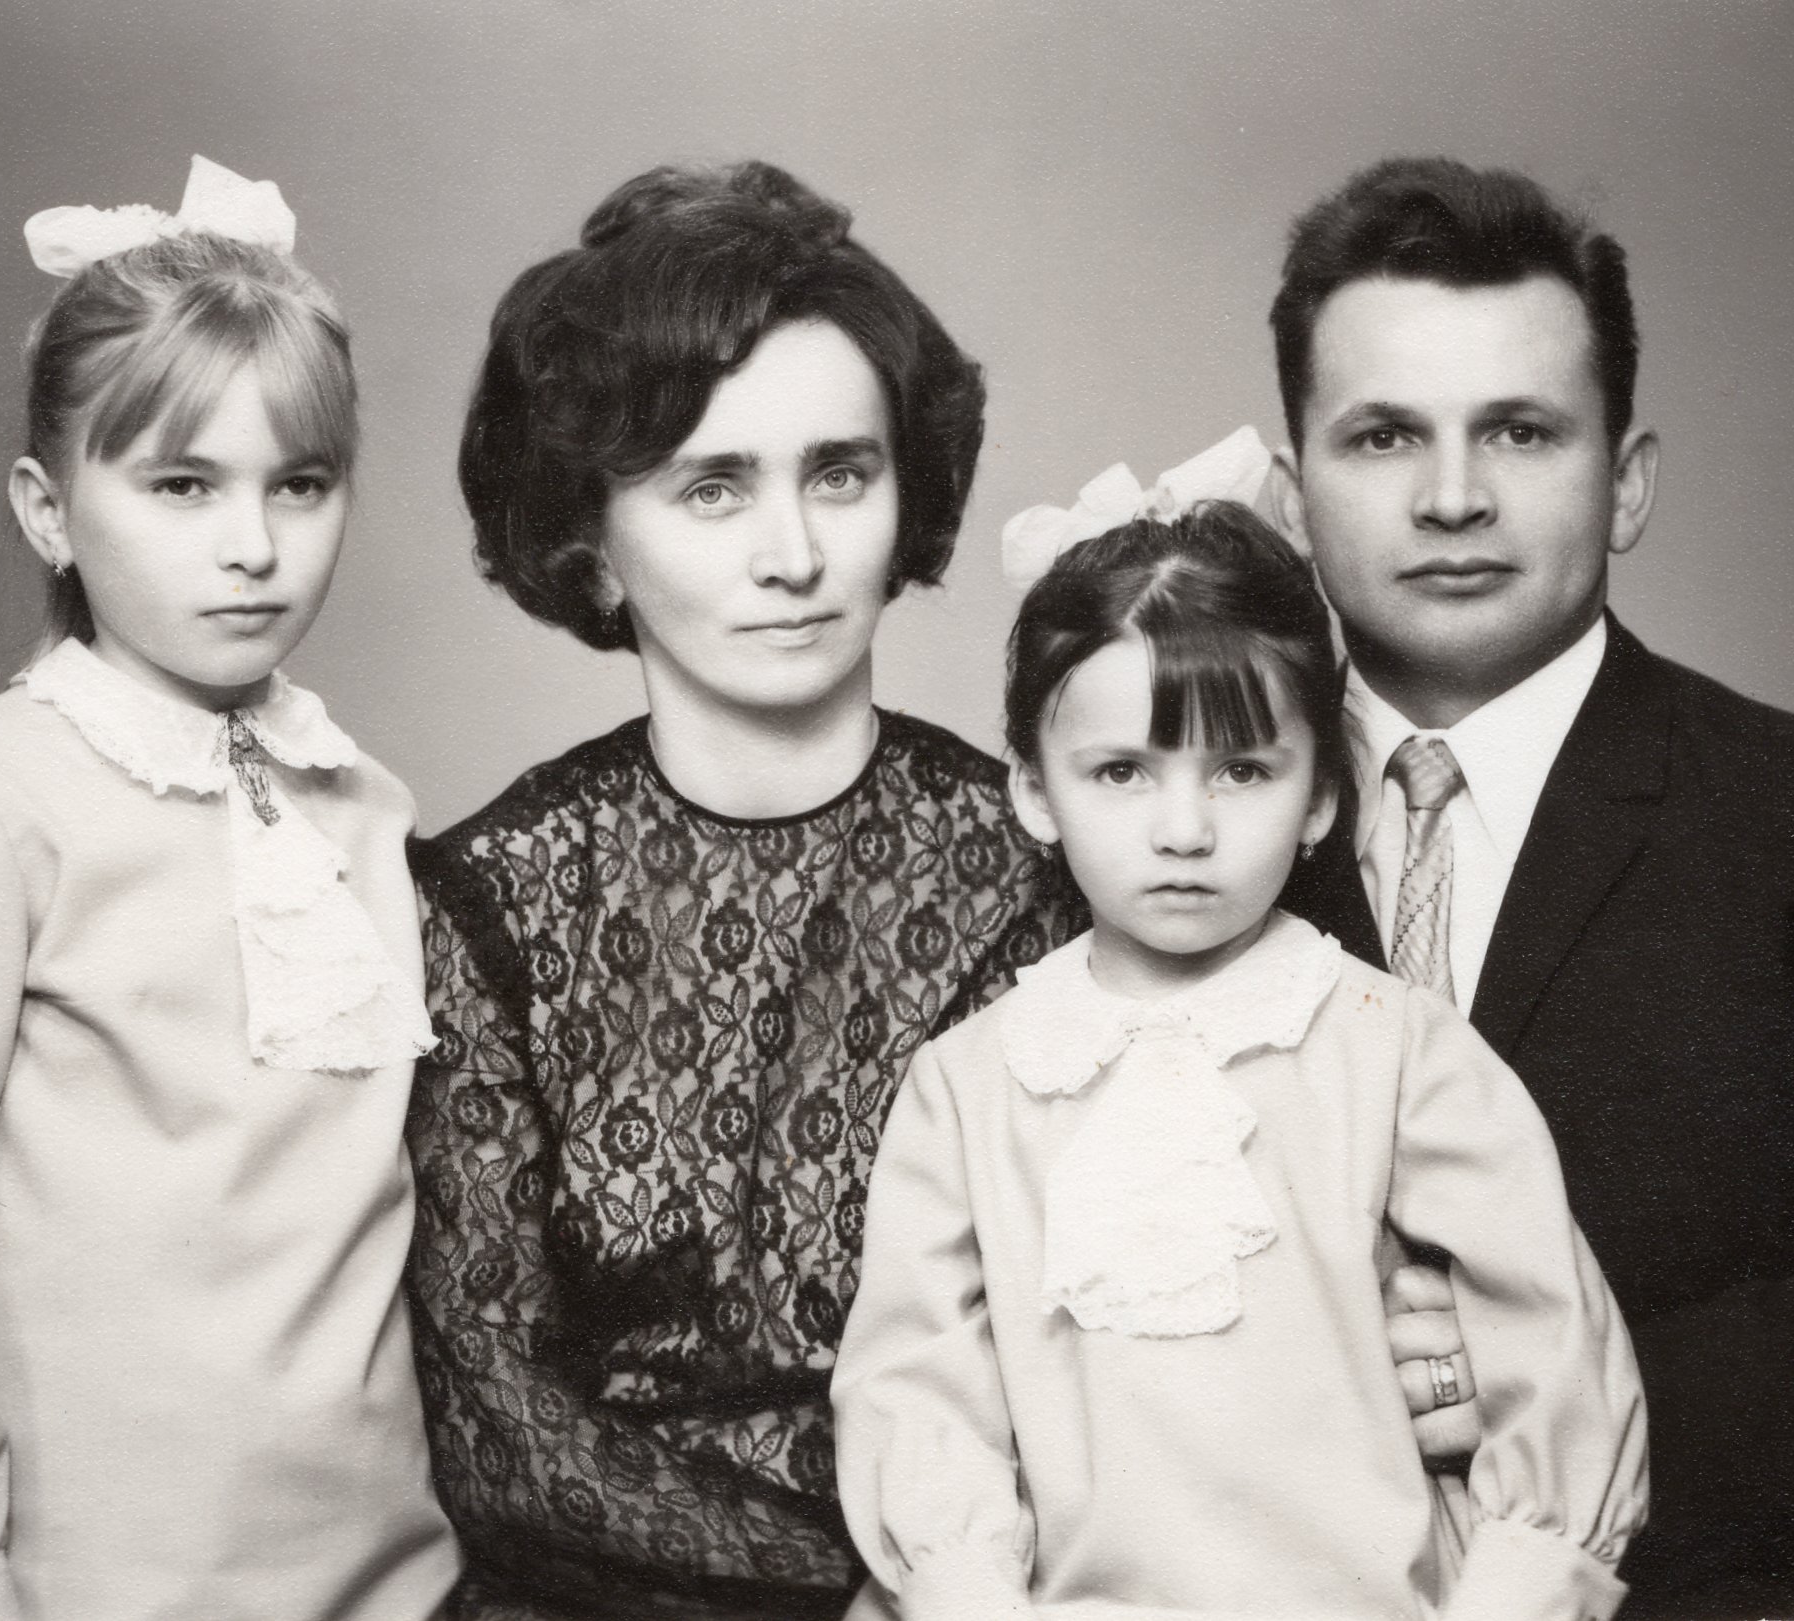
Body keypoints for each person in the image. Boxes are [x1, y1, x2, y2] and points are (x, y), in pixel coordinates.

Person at [412, 160, 1478, 1621]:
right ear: (591, 543)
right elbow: (499, 1435)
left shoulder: (1079, 859)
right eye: (712, 487)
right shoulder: (487, 900)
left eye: (838, 474)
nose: (793, 555)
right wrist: (874, 1584)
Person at [0, 158, 458, 1621]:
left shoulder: (363, 808)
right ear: (49, 511)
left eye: (300, 484)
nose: (253, 545)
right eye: (181, 485)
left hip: (392, 1582)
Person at [1268, 157, 1794, 1618]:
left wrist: (1534, 1389)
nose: (1452, 498)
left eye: (1519, 432)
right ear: (1290, 490)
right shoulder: (1171, 841)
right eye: (1382, 435)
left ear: (1624, 484)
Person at [833, 488, 1646, 1621]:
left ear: (1319, 796)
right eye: (1121, 771)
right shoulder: (969, 1084)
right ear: (1032, 788)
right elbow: (919, 1387)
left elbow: (1550, 1339)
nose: (1183, 830)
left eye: (1241, 770)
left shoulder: (1397, 1047)